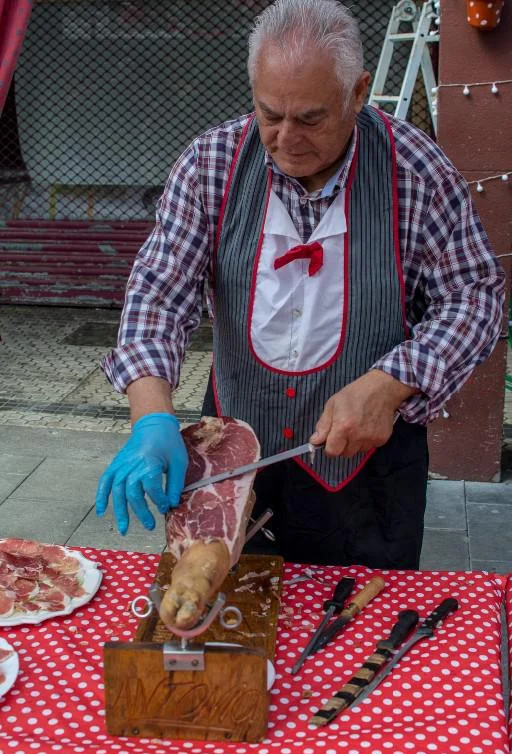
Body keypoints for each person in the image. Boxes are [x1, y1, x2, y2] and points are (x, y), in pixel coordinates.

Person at [96, 0, 505, 569]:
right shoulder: (211, 164)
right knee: (222, 606)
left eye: (310, 119)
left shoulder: (415, 171)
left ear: (357, 93)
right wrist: (151, 418)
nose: (286, 138)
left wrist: (392, 383)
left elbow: (475, 296)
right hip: (233, 456)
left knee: (364, 616)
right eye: (270, 114)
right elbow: (158, 296)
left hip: (367, 472)